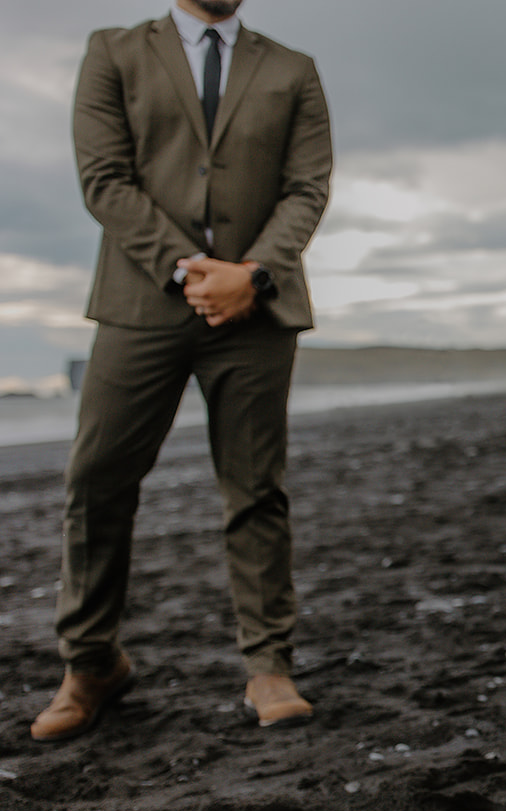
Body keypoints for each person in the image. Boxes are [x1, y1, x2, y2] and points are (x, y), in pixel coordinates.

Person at [30, 0, 333, 742]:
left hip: (256, 312)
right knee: (97, 480)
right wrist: (186, 270)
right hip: (140, 303)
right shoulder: (114, 51)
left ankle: (269, 664)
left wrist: (252, 274)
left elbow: (307, 188)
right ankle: (91, 661)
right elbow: (104, 178)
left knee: (256, 490)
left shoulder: (293, 70)